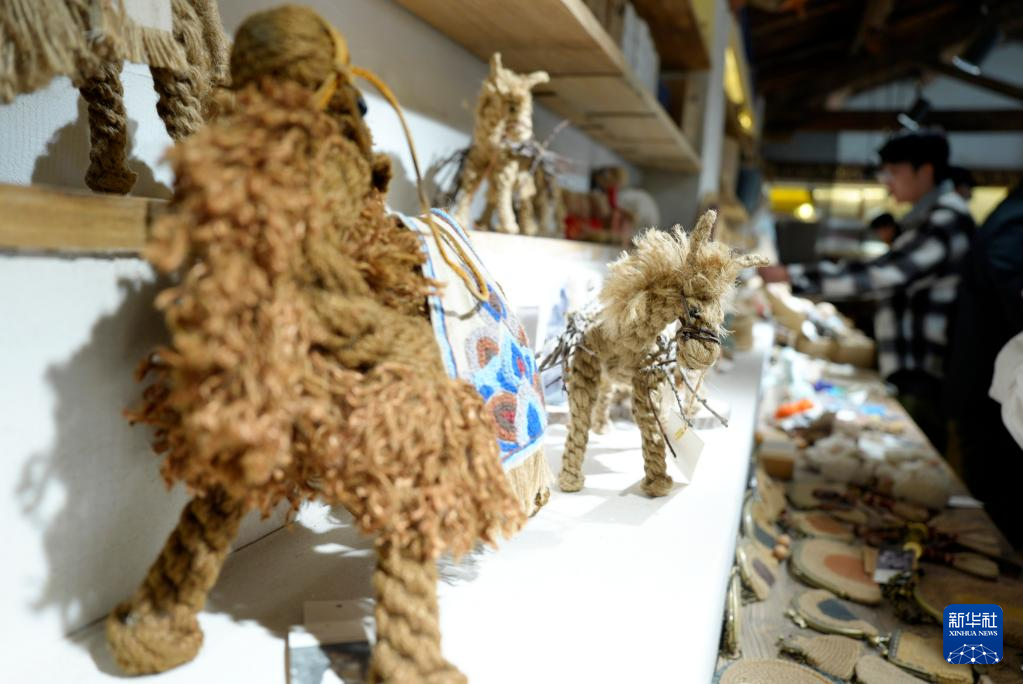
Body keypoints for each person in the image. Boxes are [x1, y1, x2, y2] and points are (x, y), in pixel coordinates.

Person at [760, 129, 975, 453]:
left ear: (926, 170)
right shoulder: (931, 217)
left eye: (894, 171)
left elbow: (881, 275)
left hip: (923, 374)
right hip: (914, 371)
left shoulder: (945, 219)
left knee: (914, 461)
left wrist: (791, 274)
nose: (887, 182)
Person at [947, 183, 1023, 546]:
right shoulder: (1016, 220)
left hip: (989, 389)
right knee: (1000, 520)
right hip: (995, 397)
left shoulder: (1012, 212)